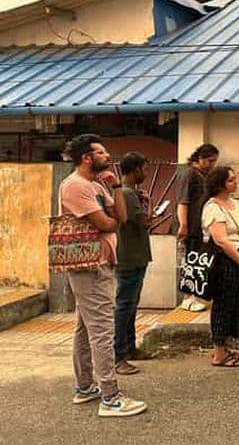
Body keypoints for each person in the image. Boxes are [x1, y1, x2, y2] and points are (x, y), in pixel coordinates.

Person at [61, 134, 147, 417]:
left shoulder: (98, 183)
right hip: (89, 265)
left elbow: (119, 218)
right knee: (102, 329)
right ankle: (110, 397)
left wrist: (117, 186)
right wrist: (111, 220)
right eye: (101, 152)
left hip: (101, 261)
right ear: (87, 157)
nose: (107, 155)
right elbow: (107, 223)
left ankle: (84, 387)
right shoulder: (75, 186)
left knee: (86, 328)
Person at [203, 166, 239, 368]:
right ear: (219, 184)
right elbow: (221, 240)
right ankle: (218, 352)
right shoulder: (212, 207)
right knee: (223, 303)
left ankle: (226, 345)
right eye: (230, 180)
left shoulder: (236, 204)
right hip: (223, 261)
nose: (235, 183)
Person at [114, 152, 155, 376]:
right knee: (125, 306)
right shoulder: (128, 194)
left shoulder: (128, 193)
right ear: (135, 169)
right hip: (130, 257)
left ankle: (129, 348)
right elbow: (145, 222)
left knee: (130, 305)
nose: (147, 173)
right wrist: (149, 204)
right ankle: (119, 355)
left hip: (134, 256)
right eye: (145, 169)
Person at [176, 143, 219, 312]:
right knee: (191, 262)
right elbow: (183, 201)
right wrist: (184, 225)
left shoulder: (203, 175)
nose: (212, 164)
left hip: (201, 225)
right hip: (192, 226)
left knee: (201, 262)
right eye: (209, 160)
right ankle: (188, 297)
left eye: (214, 161)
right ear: (200, 158)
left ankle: (198, 295)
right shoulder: (190, 174)